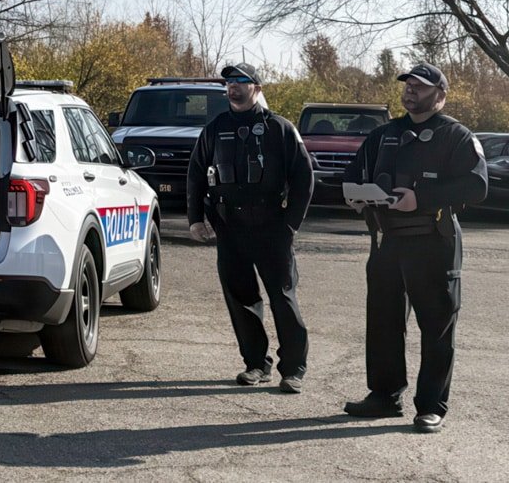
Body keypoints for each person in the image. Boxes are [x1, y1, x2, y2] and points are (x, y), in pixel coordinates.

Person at [341, 62, 488, 432]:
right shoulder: (383, 135)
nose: (410, 91)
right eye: (408, 85)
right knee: (383, 322)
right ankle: (384, 396)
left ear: (440, 95)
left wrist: (420, 198)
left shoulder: (455, 135)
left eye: (420, 86)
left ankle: (431, 406)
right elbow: (354, 173)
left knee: (436, 326)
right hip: (387, 242)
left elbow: (476, 186)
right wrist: (356, 196)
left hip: (433, 241)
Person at [187, 61, 315, 391]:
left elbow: (304, 177)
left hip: (272, 227)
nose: (233, 87)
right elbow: (196, 174)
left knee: (283, 298)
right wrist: (195, 219)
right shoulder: (215, 128)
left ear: (256, 87)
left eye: (241, 81)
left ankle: (293, 368)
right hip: (230, 228)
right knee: (241, 300)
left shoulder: (279, 128)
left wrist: (291, 224)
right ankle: (256, 364)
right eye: (229, 82)